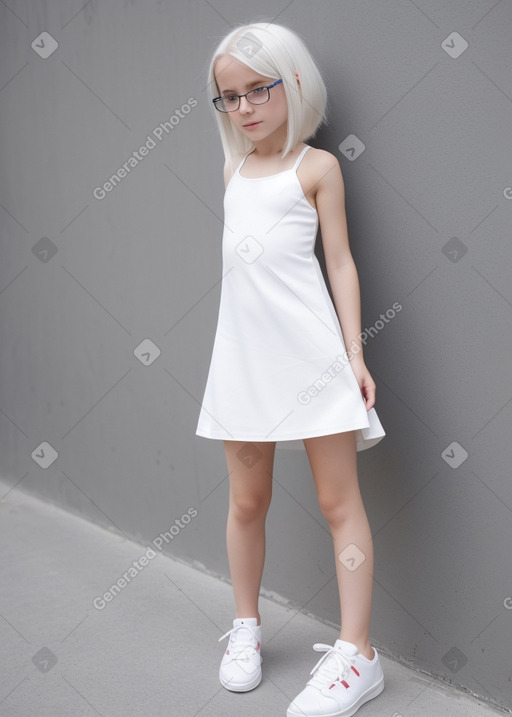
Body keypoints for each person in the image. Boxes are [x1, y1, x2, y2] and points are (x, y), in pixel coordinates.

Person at [196, 21, 386, 717]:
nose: (244, 108)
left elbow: (339, 262)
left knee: (341, 504)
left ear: (292, 82)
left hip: (312, 361)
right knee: (246, 501)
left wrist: (355, 355)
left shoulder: (318, 168)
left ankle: (358, 652)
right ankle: (245, 625)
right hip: (243, 365)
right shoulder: (232, 170)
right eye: (229, 97)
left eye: (258, 90)